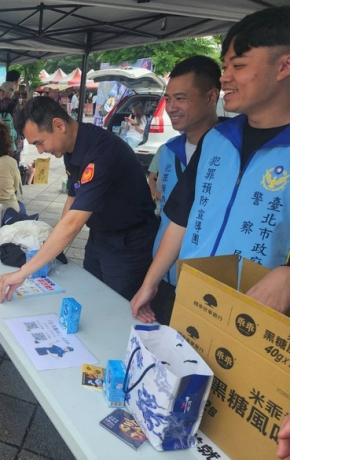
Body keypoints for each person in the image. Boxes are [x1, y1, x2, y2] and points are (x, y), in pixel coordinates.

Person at [130, 5, 290, 323]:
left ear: (284, 66)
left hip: (256, 317)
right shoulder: (218, 140)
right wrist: (150, 283)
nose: (224, 77)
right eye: (224, 66)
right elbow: (180, 218)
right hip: (191, 299)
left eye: (238, 65)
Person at [0, 96, 159, 303]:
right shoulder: (72, 148)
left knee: (115, 306)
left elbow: (74, 222)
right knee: (90, 296)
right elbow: (72, 199)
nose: (41, 151)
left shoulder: (101, 152)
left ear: (59, 125)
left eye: (40, 142)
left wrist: (24, 271)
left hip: (129, 243)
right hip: (100, 235)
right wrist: (50, 247)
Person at [142, 55, 225, 325]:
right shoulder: (168, 152)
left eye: (181, 98)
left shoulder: (232, 153)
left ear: (211, 97)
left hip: (208, 288)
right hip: (164, 277)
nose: (171, 107)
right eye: (168, 99)